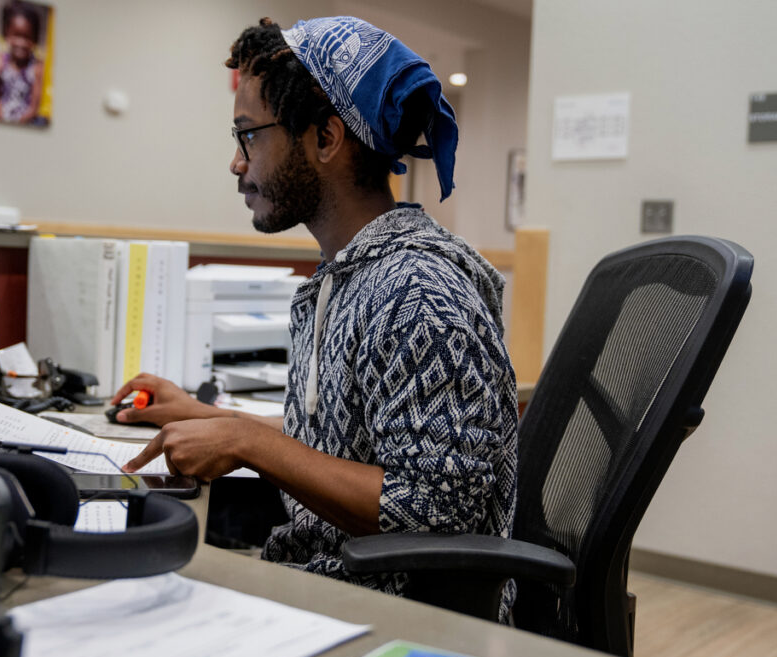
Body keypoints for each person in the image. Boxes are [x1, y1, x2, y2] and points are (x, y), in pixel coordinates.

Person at [114, 16, 517, 611]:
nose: (236, 162)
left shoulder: (417, 296)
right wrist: (209, 417)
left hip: (383, 613)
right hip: (328, 580)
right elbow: (349, 444)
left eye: (248, 135)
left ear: (326, 138)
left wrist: (250, 445)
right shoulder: (351, 277)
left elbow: (435, 512)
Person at [0, 2, 45, 125]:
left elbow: (34, 108)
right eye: (16, 35)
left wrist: (19, 124)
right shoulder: (1, 62)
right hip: (1, 119)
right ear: (7, 34)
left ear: (34, 39)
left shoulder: (36, 68)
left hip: (24, 122)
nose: (21, 43)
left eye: (27, 38)